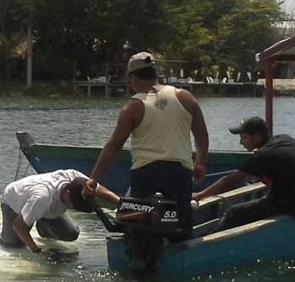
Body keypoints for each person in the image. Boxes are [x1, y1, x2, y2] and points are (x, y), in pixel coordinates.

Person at [85, 51, 209, 238]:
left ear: (132, 77)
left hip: (146, 172)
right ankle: (184, 249)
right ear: (154, 73)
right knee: (183, 223)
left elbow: (114, 146)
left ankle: (139, 253)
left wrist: (93, 179)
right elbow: (201, 134)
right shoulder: (185, 97)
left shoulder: (133, 107)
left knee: (138, 224)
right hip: (180, 171)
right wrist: (200, 162)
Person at [194, 116, 295, 229]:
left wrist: (199, 195)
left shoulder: (263, 155)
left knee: (233, 212)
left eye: (244, 137)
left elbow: (228, 181)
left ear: (257, 136)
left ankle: (211, 246)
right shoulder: (285, 139)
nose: (240, 142)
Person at [0, 170, 120, 255]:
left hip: (44, 208)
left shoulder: (77, 179)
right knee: (14, 247)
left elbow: (100, 189)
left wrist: (120, 202)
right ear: (67, 194)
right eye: (75, 206)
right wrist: (37, 251)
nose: (75, 209)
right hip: (13, 202)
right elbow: (19, 226)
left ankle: (42, 226)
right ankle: (27, 224)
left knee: (71, 233)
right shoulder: (42, 198)